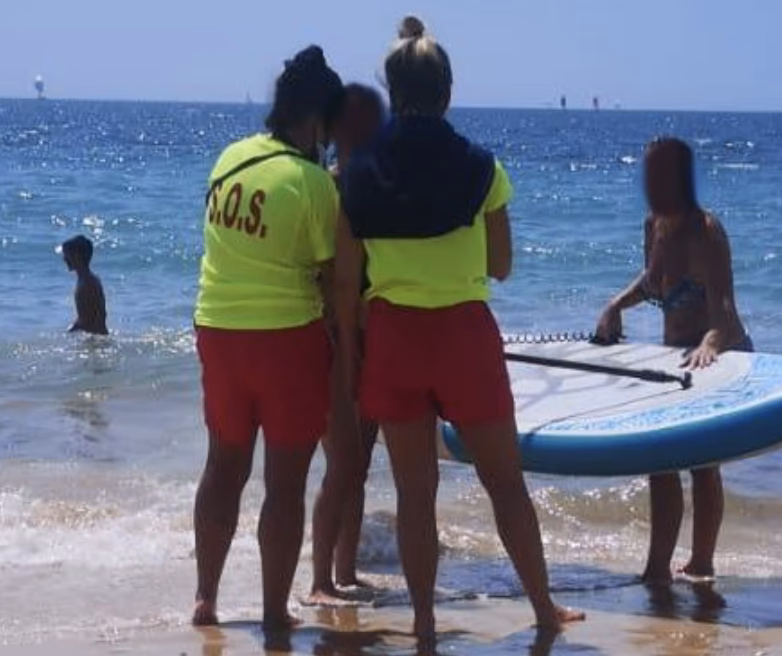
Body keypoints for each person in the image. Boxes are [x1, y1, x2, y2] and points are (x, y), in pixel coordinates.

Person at [334, 16, 584, 642]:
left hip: (393, 337)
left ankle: (423, 621)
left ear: (393, 93)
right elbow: (500, 267)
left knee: (416, 494)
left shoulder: (359, 170)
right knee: (505, 482)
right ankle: (543, 608)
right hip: (463, 336)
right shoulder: (480, 167)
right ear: (448, 91)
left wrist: (351, 349)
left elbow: (346, 278)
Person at [191, 45, 343, 630]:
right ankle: (275, 611)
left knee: (223, 467)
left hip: (218, 330)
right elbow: (333, 285)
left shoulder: (228, 159)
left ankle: (206, 597)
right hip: (287, 341)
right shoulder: (312, 183)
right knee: (285, 481)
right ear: (315, 120)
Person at [594, 137, 751, 585]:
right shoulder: (652, 226)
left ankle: (702, 562)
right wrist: (615, 305)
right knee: (660, 461)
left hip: (719, 354)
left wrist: (711, 342)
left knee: (702, 464)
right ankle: (656, 569)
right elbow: (653, 282)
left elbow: (722, 304)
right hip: (675, 361)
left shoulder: (708, 231)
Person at [308, 83, 385, 606]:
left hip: (367, 337)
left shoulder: (368, 187)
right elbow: (320, 273)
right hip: (338, 340)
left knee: (355, 462)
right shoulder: (331, 189)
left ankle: (345, 569)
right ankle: (323, 577)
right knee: (344, 462)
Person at [60, 235, 108, 336]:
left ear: (77, 256)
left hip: (96, 339)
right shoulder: (88, 280)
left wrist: (69, 331)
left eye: (67, 255)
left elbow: (88, 319)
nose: (64, 259)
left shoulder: (87, 283)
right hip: (96, 337)